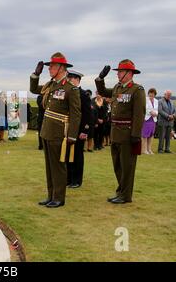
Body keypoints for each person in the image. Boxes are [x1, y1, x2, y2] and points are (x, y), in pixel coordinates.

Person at [30, 52, 81, 208]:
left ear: (61, 68)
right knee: (49, 166)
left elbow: (76, 114)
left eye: (52, 66)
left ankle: (59, 197)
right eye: (49, 66)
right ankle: (51, 195)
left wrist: (72, 136)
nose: (49, 69)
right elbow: (34, 89)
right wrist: (35, 75)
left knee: (58, 167)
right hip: (47, 130)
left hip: (60, 132)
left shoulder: (70, 88)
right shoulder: (51, 85)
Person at [95, 59, 146, 204]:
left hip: (128, 133)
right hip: (115, 132)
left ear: (129, 73)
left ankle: (126, 196)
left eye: (121, 72)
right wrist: (100, 78)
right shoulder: (118, 88)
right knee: (117, 165)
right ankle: (121, 192)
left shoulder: (137, 90)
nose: (118, 75)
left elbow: (139, 114)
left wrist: (136, 135)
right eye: (118, 72)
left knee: (127, 167)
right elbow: (103, 91)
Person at [66, 69, 92, 188]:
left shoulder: (83, 95)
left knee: (77, 155)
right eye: (68, 78)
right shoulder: (68, 92)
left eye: (71, 78)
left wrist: (84, 131)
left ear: (77, 80)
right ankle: (68, 178)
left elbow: (87, 115)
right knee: (67, 155)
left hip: (79, 129)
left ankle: (77, 180)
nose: (69, 80)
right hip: (68, 129)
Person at [141, 88, 158, 154]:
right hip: (146, 119)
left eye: (153, 94)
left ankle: (149, 149)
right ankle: (144, 150)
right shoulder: (145, 99)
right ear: (148, 93)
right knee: (145, 135)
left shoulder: (156, 101)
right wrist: (151, 112)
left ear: (155, 94)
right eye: (150, 93)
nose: (151, 95)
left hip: (153, 120)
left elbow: (156, 109)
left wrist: (155, 113)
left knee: (151, 135)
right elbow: (145, 108)